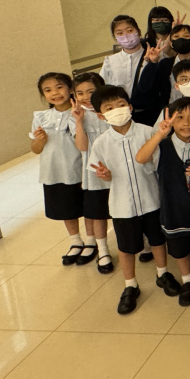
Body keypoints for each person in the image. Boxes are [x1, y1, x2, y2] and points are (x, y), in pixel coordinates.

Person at [89, 86, 176, 315]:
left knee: (157, 239)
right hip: (122, 204)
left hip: (151, 198)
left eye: (120, 105)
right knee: (126, 247)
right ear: (101, 115)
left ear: (129, 107)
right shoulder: (100, 143)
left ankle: (162, 273)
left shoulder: (148, 132)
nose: (116, 110)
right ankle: (130, 285)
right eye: (109, 108)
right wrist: (105, 175)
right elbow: (100, 174)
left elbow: (157, 163)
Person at [135, 97, 190, 306]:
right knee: (179, 247)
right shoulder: (163, 145)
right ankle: (187, 280)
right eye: (180, 118)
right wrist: (160, 134)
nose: (186, 123)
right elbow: (141, 158)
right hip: (174, 206)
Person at [31, 73, 86, 266]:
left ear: (70, 88)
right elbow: (35, 149)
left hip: (79, 168)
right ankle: (75, 240)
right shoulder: (41, 117)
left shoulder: (81, 112)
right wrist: (40, 140)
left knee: (87, 207)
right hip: (54, 171)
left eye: (59, 87)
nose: (55, 93)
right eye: (48, 90)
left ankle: (92, 240)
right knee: (65, 209)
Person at [70, 72, 113, 273]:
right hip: (94, 171)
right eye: (80, 93)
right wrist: (79, 122)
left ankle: (142, 243)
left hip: (116, 167)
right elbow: (82, 146)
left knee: (124, 208)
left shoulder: (112, 110)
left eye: (91, 91)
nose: (85, 97)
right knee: (98, 213)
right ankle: (102, 250)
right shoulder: (76, 116)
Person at [138, 24, 190, 110]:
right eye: (176, 37)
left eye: (186, 36)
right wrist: (153, 62)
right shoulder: (165, 64)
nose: (181, 39)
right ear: (171, 43)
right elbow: (147, 87)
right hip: (171, 109)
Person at [99, 15, 146, 97]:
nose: (126, 35)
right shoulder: (110, 61)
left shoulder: (153, 56)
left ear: (139, 32)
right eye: (120, 33)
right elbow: (102, 87)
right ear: (115, 37)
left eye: (130, 30)